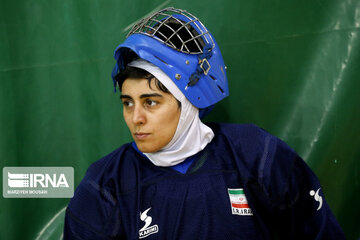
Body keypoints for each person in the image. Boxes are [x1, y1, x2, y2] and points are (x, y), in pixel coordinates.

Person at [64, 7, 345, 239]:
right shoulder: (105, 184)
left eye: (151, 102)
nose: (135, 118)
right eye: (127, 103)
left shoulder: (256, 156)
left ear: (189, 100)